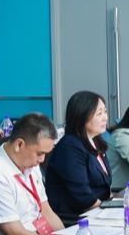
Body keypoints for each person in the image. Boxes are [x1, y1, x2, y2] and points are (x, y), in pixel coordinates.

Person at [0, 113, 65, 235]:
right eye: (40, 153)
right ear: (19, 144)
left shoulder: (29, 163)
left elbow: (46, 210)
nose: (42, 160)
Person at [46, 91, 112, 224]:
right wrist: (111, 211)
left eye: (105, 112)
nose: (105, 118)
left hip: (97, 212)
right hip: (78, 219)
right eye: (99, 113)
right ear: (82, 116)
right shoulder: (70, 147)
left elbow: (104, 187)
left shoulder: (96, 141)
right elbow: (84, 198)